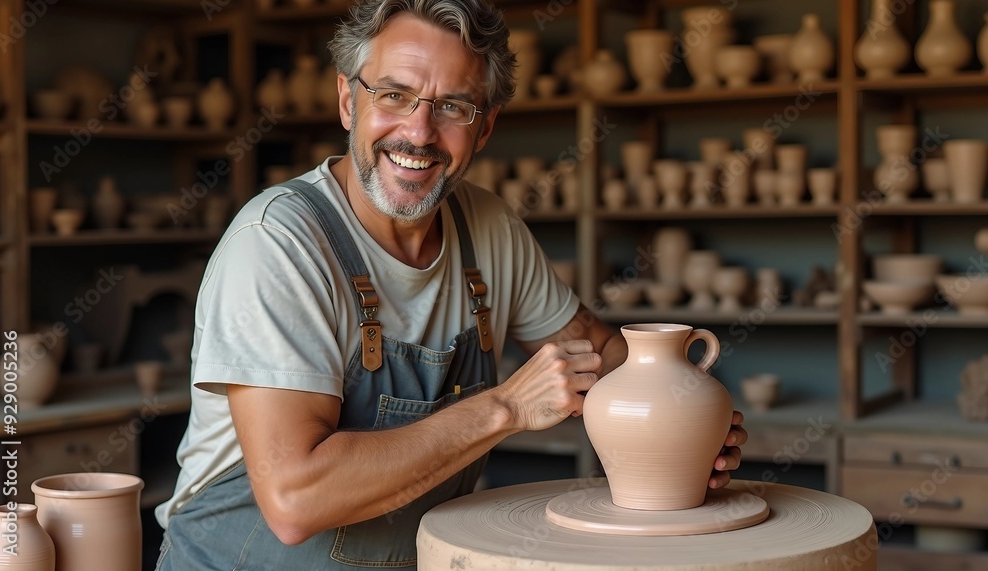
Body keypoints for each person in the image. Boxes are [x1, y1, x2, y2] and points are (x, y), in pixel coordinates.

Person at [155, 0, 746, 568]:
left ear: (484, 128)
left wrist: (688, 417)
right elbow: (295, 500)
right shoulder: (277, 244)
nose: (419, 132)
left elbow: (607, 356)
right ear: (347, 101)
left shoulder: (488, 228)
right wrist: (506, 407)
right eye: (394, 95)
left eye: (453, 107)